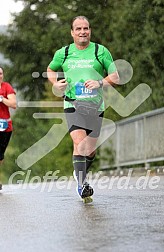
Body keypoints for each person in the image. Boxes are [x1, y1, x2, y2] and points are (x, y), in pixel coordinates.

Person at [47, 16, 119, 201]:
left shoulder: (100, 51)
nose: (82, 32)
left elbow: (116, 77)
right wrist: (56, 83)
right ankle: (81, 185)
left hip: (95, 106)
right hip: (73, 104)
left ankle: (79, 174)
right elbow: (51, 69)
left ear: (90, 30)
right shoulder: (63, 53)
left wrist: (99, 82)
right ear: (72, 32)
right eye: (78, 29)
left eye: (85, 28)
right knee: (79, 143)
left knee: (90, 150)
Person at [0, 67, 17, 190]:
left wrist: (1, 98)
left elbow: (13, 104)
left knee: (0, 156)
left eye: (0, 73)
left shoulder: (6, 87)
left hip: (5, 127)